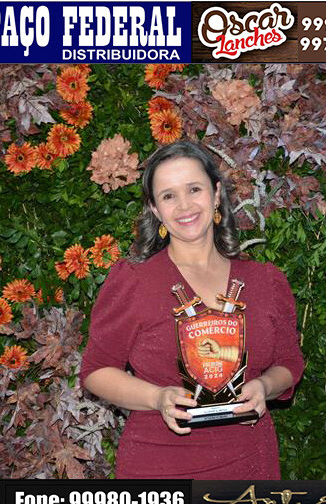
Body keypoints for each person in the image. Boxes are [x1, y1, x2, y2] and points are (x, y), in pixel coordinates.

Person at [80, 141, 304, 479]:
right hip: (160, 466)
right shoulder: (134, 281)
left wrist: (265, 386)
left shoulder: (265, 281)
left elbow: (289, 363)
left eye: (194, 189)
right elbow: (96, 371)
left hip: (250, 462)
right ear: (155, 210)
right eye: (169, 196)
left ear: (216, 194)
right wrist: (157, 398)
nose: (184, 205)